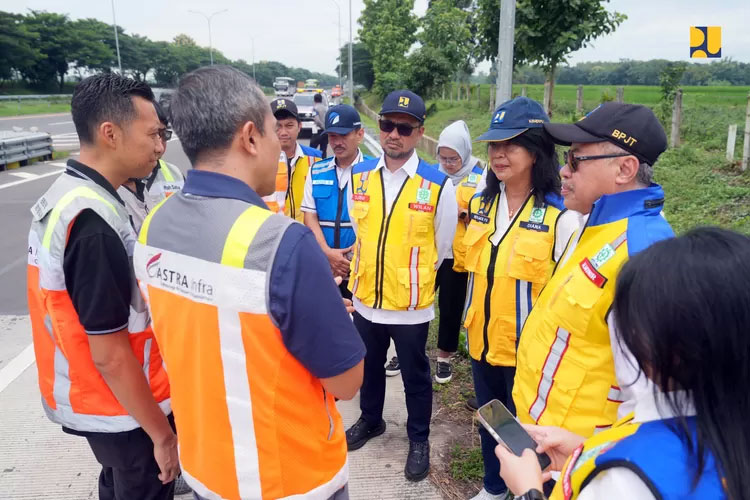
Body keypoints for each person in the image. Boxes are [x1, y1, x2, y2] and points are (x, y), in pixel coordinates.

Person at [134, 65, 365, 500]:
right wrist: (331, 317)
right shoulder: (282, 244)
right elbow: (347, 382)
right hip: (291, 477)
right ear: (249, 137)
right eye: (271, 131)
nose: (280, 146)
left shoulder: (153, 228)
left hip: (207, 469)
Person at [495, 227, 750, 500]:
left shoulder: (623, 482)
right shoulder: (726, 424)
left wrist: (527, 490)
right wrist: (585, 450)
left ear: (676, 347)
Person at [26, 73, 177, 500]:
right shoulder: (92, 222)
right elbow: (110, 354)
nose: (159, 146)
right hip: (123, 410)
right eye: (152, 134)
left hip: (105, 404)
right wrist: (162, 436)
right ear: (110, 134)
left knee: (115, 484)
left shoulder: (72, 195)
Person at [513, 102, 675, 439]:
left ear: (625, 169)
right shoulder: (594, 222)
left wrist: (591, 458)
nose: (564, 171)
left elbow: (657, 406)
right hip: (545, 437)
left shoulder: (644, 255)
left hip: (581, 462)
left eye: (576, 159)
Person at [462, 98, 578, 500]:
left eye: (510, 144)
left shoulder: (561, 216)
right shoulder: (481, 205)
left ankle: (529, 491)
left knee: (530, 432)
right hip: (482, 342)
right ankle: (494, 486)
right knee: (491, 420)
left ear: (535, 150)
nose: (498, 154)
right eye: (493, 145)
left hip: (529, 356)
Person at [344, 90, 458, 482]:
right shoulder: (360, 176)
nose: (394, 134)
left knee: (415, 376)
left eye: (404, 128)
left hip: (410, 304)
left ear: (419, 132)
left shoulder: (438, 184)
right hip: (365, 299)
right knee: (369, 367)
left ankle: (419, 439)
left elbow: (443, 248)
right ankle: (371, 420)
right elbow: (360, 231)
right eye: (388, 125)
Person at [432, 120, 484, 385]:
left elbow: (489, 213)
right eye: (444, 158)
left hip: (459, 256)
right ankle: (403, 352)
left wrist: (465, 214)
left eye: (454, 159)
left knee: (450, 307)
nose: (449, 164)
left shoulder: (482, 175)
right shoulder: (432, 174)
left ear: (464, 154)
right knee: (415, 301)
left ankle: (444, 358)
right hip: (431, 250)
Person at [301, 104, 371, 298]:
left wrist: (352, 257)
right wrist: (328, 253)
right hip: (325, 268)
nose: (337, 142)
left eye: (344, 135)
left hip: (362, 269)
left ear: (360, 134)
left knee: (359, 326)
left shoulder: (374, 172)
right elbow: (310, 216)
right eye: (332, 136)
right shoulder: (316, 171)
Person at [118, 101, 184, 232]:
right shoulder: (111, 183)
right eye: (153, 135)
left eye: (164, 135)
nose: (159, 147)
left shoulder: (174, 173)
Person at [271, 97, 322, 221]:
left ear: (299, 126)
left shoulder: (316, 158)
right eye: (277, 126)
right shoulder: (260, 162)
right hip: (276, 235)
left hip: (307, 234)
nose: (283, 132)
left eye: (289, 125)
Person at [310, 92, 329, 157]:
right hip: (325, 132)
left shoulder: (315, 108)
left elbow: (317, 120)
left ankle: (312, 163)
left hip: (318, 131)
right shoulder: (326, 108)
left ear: (314, 100)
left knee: (311, 149)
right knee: (323, 150)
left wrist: (322, 127)